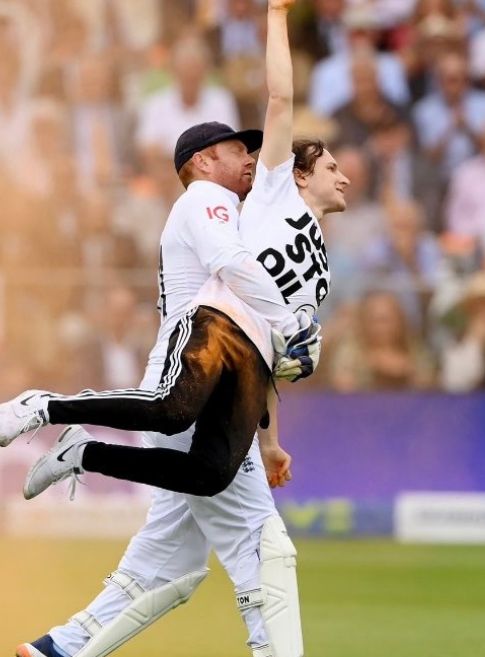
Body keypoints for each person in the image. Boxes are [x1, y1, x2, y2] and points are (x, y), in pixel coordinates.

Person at [11, 5, 341, 656]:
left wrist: (268, 436)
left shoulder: (294, 244)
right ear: (203, 160)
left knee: (169, 565)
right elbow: (281, 97)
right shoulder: (236, 198)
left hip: (229, 377)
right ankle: (54, 417)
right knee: (262, 547)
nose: (250, 158)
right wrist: (277, 13)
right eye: (236, 150)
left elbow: (262, 345)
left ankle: (59, 647)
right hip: (197, 364)